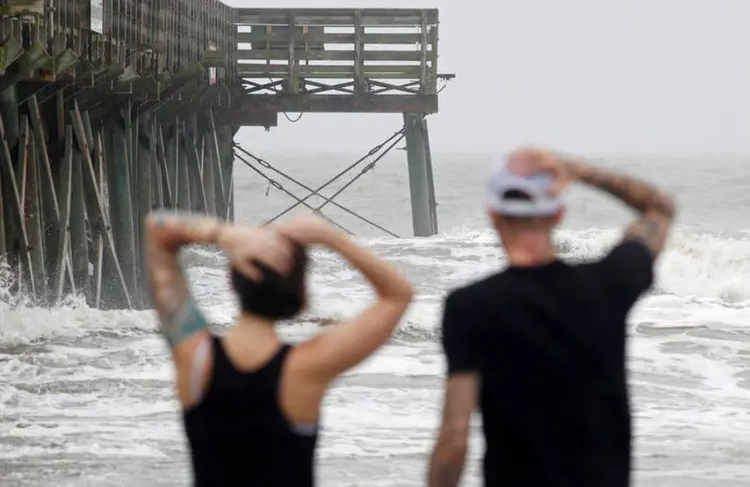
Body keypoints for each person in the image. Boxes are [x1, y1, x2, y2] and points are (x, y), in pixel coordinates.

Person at [427, 147, 677, 487]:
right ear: (558, 214)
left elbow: (454, 439)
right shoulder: (608, 284)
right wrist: (579, 170)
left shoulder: (470, 306)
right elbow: (660, 207)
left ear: (493, 215)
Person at [144, 212, 413, 486]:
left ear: (231, 280)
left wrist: (228, 235)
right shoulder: (305, 368)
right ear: (302, 292)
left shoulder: (196, 357)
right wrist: (331, 238)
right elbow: (397, 294)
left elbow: (157, 228)